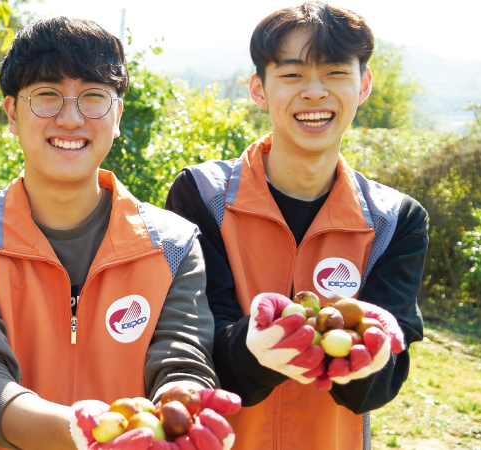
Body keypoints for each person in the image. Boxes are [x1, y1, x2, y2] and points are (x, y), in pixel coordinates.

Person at [0, 17, 231, 450]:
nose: (70, 119)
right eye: (47, 96)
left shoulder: (174, 246)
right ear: (12, 113)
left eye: (93, 98)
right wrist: (79, 430)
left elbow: (182, 364)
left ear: (117, 114)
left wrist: (180, 411)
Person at [165, 2, 429, 449]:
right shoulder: (202, 196)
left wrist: (367, 362)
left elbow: (380, 386)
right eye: (291, 75)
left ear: (363, 85)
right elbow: (192, 347)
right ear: (258, 89)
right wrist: (258, 347)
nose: (314, 92)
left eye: (335, 73)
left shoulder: (395, 219)